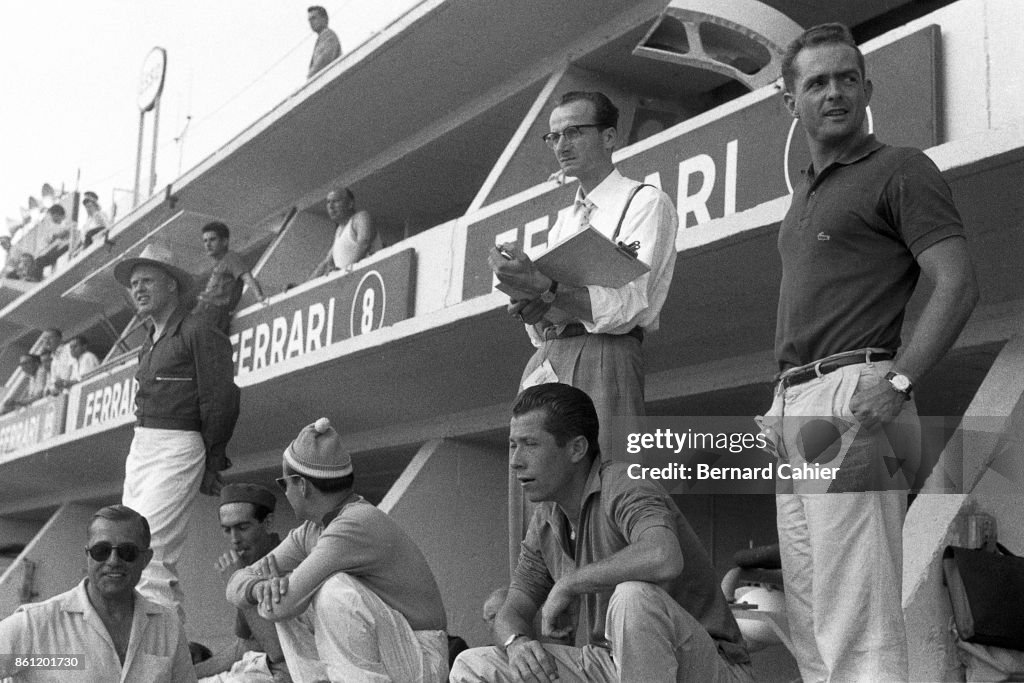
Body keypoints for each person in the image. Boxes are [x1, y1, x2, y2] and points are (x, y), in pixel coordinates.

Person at [760, 23, 979, 682]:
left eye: (846, 79)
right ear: (789, 99)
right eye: (817, 82)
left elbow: (958, 282)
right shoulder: (803, 192)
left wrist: (901, 382)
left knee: (859, 615)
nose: (834, 93)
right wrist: (778, 403)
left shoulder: (901, 169)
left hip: (859, 390)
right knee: (810, 614)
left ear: (866, 88)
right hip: (796, 402)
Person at [451, 383, 752, 683]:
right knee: (474, 664)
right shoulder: (545, 520)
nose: (515, 460)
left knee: (633, 597)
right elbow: (511, 610)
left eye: (530, 444)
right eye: (512, 445)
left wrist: (569, 583)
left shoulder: (624, 484)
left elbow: (663, 555)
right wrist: (517, 644)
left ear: (577, 449)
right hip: (613, 667)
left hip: (708, 667)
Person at [489, 91, 679, 458]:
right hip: (550, 353)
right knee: (539, 487)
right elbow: (545, 314)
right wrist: (531, 303)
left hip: (607, 350)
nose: (561, 144)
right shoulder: (565, 219)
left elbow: (629, 308)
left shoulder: (644, 200)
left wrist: (548, 290)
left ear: (609, 137)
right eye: (554, 136)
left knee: (606, 472)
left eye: (574, 132)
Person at [226, 417, 449, 682]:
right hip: (394, 651)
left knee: (331, 589)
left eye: (283, 483)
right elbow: (235, 585)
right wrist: (255, 587)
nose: (284, 493)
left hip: (421, 655)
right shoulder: (311, 530)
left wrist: (270, 586)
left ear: (303, 485)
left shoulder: (357, 522)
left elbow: (281, 606)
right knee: (297, 591)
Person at [113, 242, 240, 617]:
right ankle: (153, 647)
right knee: (124, 542)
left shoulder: (200, 329)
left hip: (178, 443)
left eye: (147, 280)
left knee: (150, 554)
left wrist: (213, 460)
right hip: (143, 445)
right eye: (134, 283)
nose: (138, 288)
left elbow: (222, 398)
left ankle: (165, 662)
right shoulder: (148, 341)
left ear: (172, 286)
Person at [0, 505, 196, 682]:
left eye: (127, 551)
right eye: (101, 550)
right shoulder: (35, 625)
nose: (113, 560)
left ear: (146, 558)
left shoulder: (167, 626)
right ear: (88, 556)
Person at [195, 483, 291, 682]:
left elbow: (277, 651)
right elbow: (245, 645)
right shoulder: (247, 566)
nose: (234, 539)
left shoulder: (289, 562)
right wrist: (183, 675)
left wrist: (238, 583)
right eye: (226, 530)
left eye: (242, 527)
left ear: (267, 522)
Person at [192, 221, 267, 334]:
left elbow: (247, 278)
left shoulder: (231, 258)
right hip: (202, 312)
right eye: (205, 241)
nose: (208, 244)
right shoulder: (218, 264)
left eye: (212, 240)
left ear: (224, 241)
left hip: (213, 314)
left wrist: (260, 297)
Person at [310, 187, 379, 279]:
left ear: (350, 204)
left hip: (367, 279)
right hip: (349, 282)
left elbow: (364, 244)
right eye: (328, 202)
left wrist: (344, 272)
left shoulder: (360, 217)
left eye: (336, 201)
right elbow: (327, 263)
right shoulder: (339, 230)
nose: (331, 206)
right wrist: (300, 288)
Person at [307, 6, 341, 78]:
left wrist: (310, 76)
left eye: (314, 18)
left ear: (324, 19)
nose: (311, 22)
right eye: (309, 20)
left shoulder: (329, 36)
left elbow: (324, 61)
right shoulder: (320, 39)